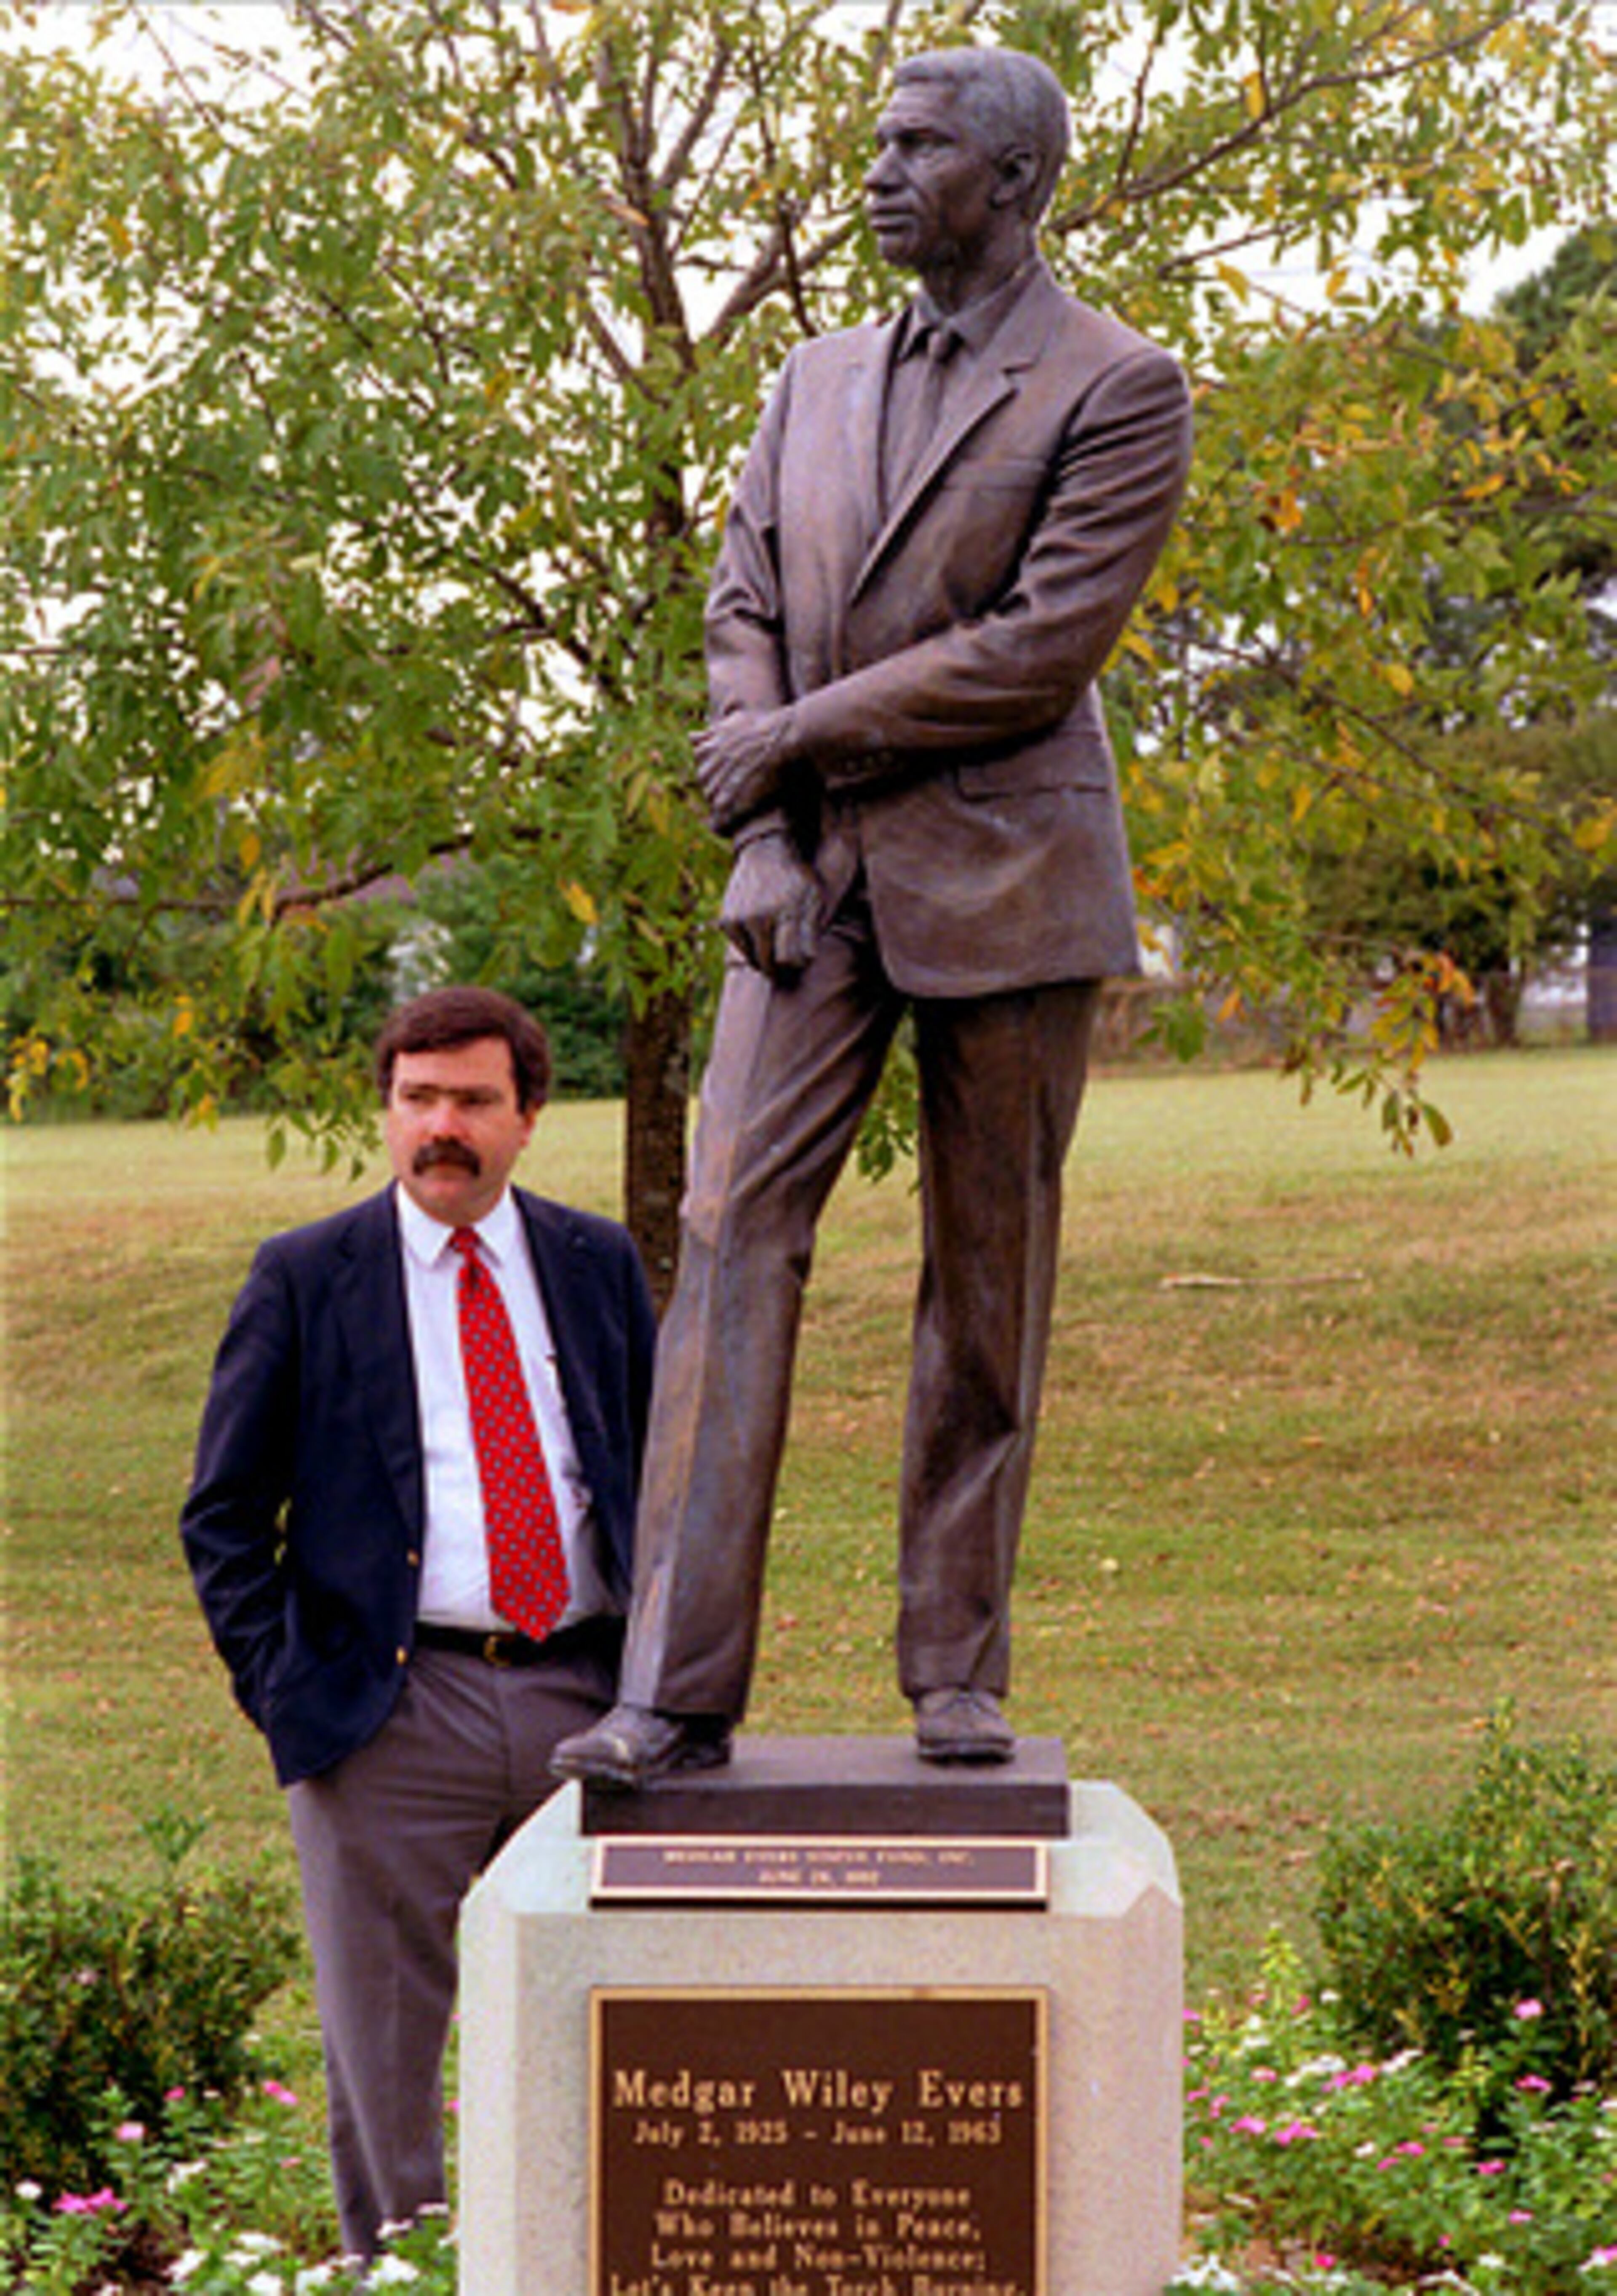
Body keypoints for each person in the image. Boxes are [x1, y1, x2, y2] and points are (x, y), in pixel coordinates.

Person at [553, 44, 1192, 1792]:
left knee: (987, 1286)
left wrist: (791, 740)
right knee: (729, 1244)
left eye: (918, 147)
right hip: (808, 879)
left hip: (1008, 883)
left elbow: (1036, 652)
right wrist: (763, 823)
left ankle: (957, 1667)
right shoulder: (808, 379)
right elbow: (744, 594)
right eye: (879, 143)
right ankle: (670, 1691)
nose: (881, 172)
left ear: (1014, 178)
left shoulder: (1119, 384)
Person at [180, 985, 655, 2259]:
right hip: (386, 1711)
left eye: (475, 1101)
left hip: (586, 1708)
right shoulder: (305, 1276)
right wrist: (289, 1691)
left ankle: (576, 2260)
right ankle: (398, 2268)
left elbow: (662, 1480)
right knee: (386, 2050)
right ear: (387, 1109)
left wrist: (660, 1688)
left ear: (529, 1116)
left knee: (598, 2020)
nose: (444, 1126)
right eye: (419, 1098)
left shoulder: (597, 1263)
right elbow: (223, 1512)